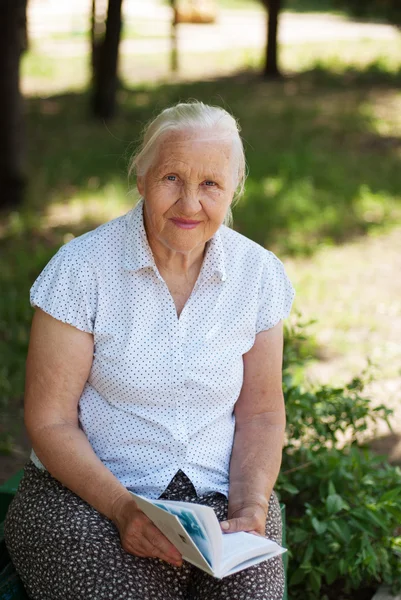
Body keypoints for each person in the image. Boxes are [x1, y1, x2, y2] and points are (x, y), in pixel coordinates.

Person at [4, 101, 295, 600]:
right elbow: (49, 420)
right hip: (89, 495)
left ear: (232, 192)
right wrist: (122, 508)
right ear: (141, 177)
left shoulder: (258, 274)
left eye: (210, 185)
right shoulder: (81, 269)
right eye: (171, 178)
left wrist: (250, 505)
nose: (188, 203)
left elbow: (263, 415)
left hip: (217, 498)